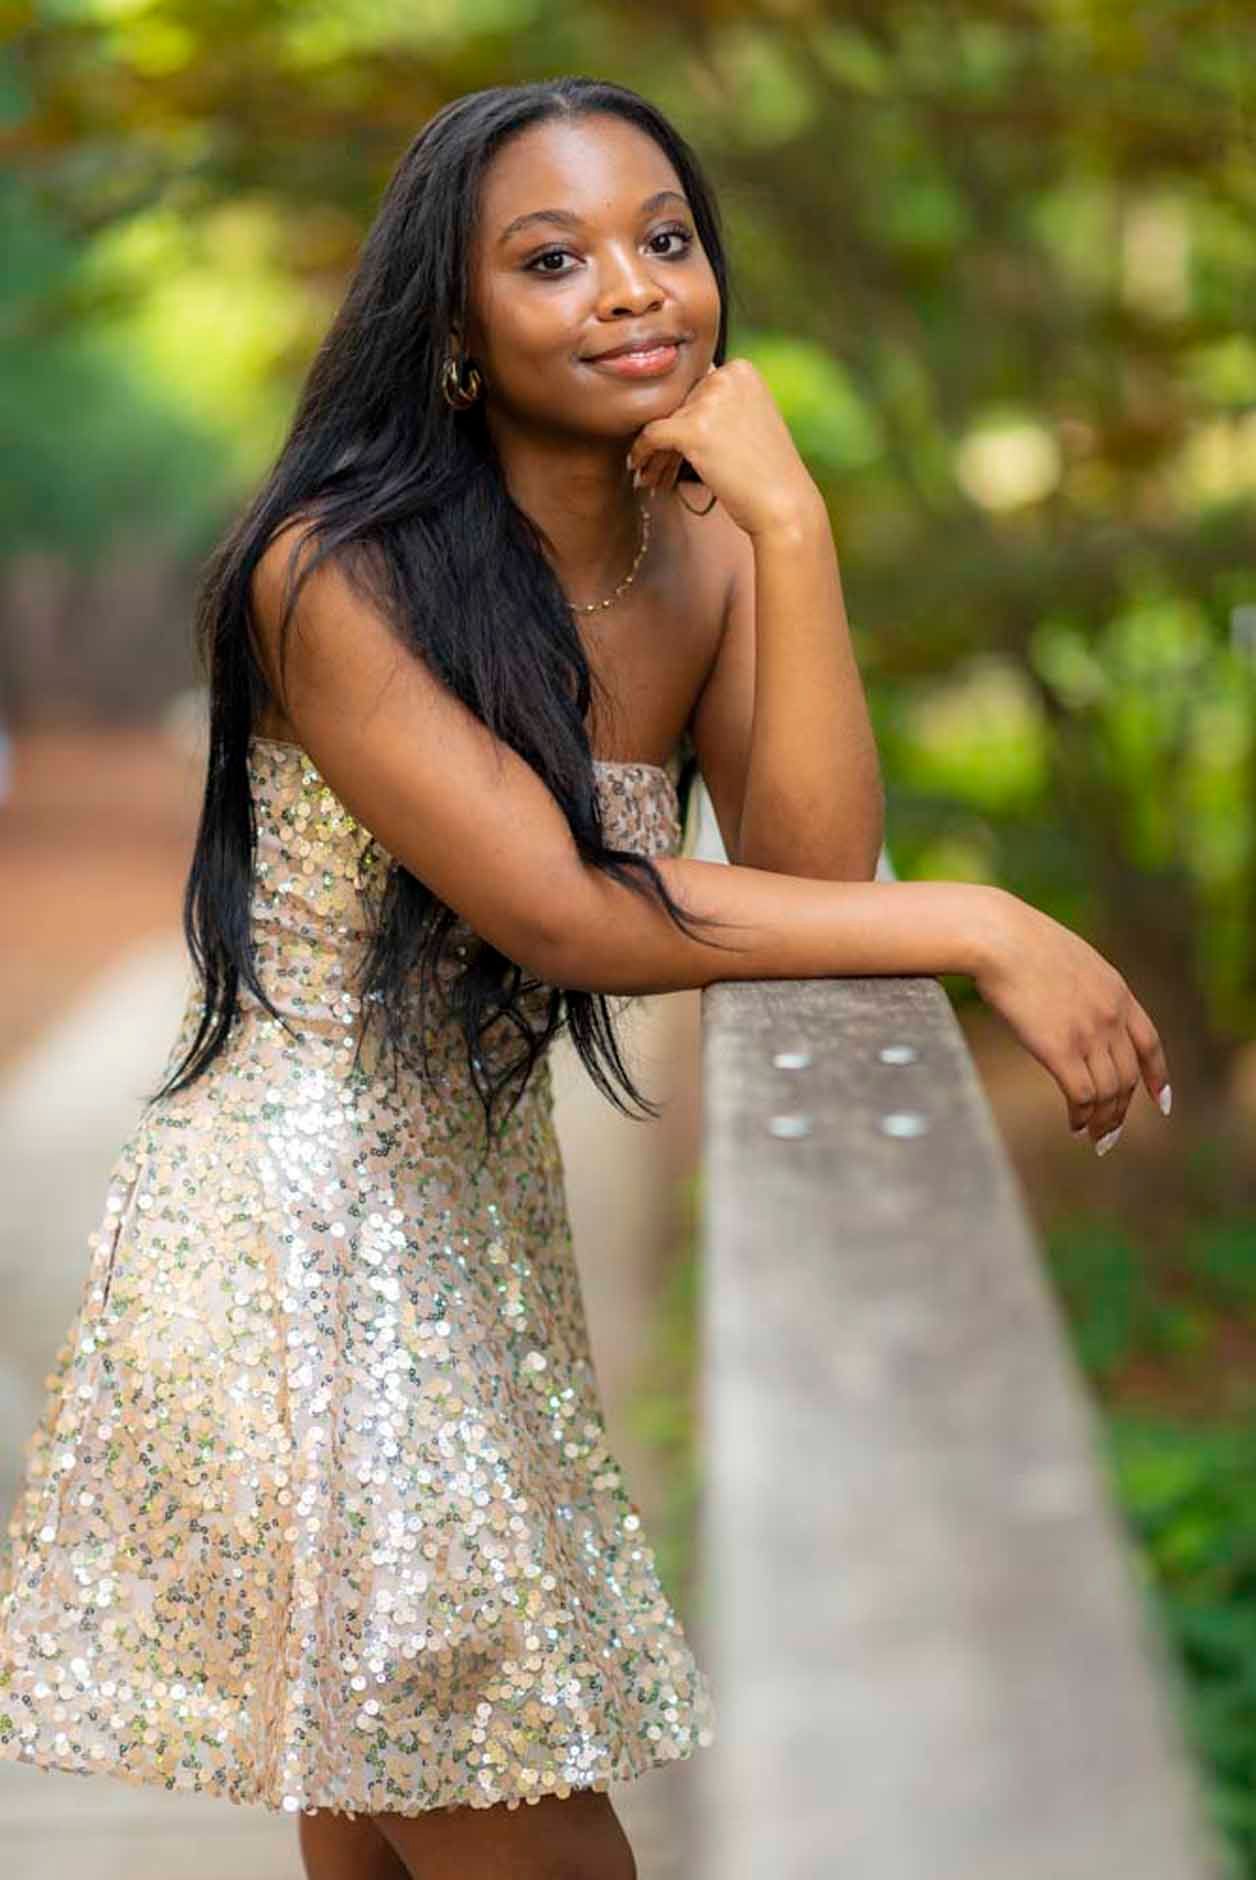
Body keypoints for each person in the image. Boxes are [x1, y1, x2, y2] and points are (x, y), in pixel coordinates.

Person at [0, 75, 1172, 1880]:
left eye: (666, 239)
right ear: (454, 329)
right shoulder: (336, 573)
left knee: (388, 1826)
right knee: (521, 1826)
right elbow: (570, 914)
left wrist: (792, 534)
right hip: (305, 1251)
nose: (631, 288)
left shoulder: (697, 546)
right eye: (553, 260)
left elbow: (797, 868)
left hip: (479, 1225)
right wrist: (982, 919)